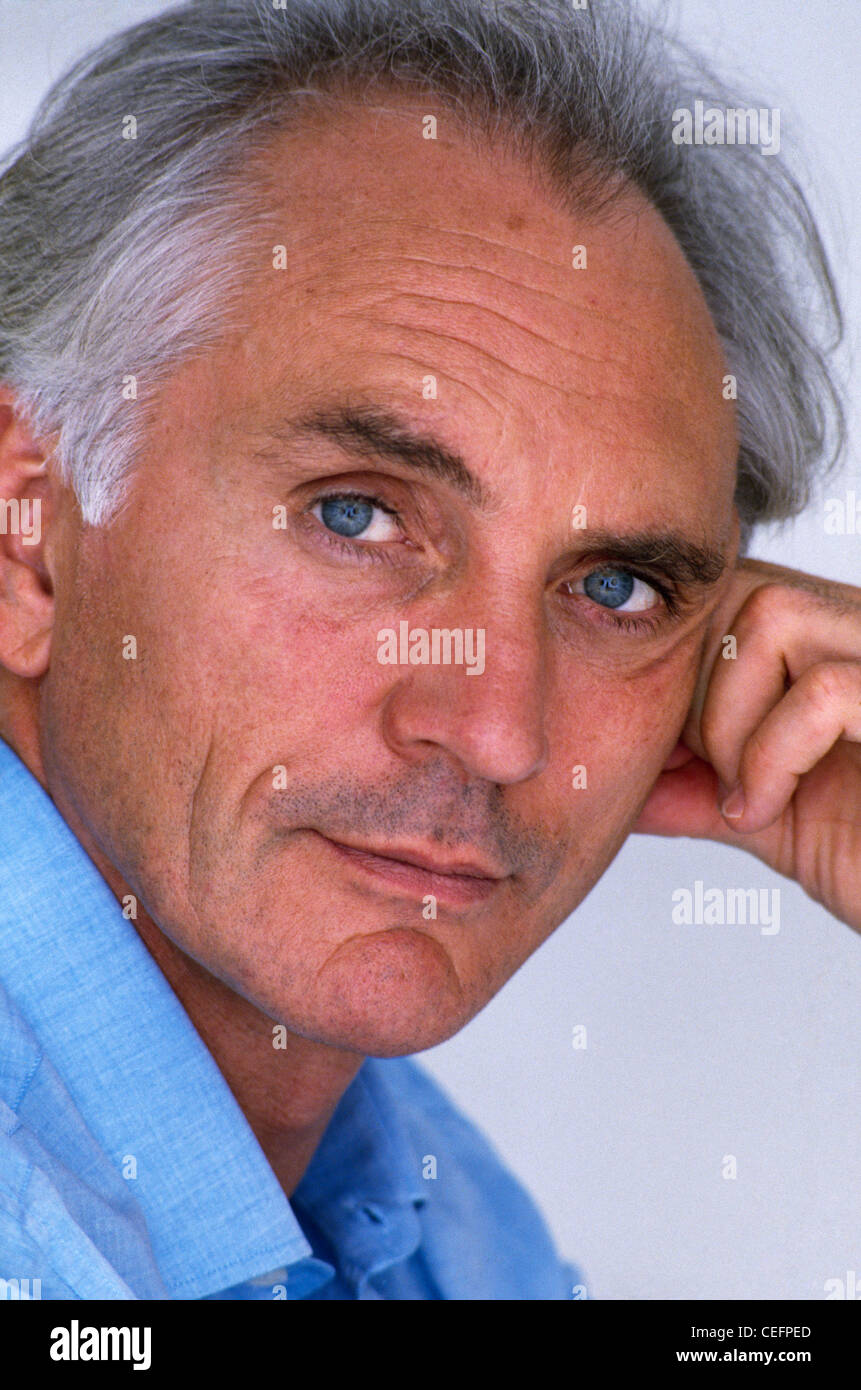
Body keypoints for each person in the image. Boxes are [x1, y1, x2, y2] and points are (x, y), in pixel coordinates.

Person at [0, 0, 857, 1300]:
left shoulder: (422, 1208)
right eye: (356, 514)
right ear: (27, 537)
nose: (499, 729)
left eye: (615, 584)